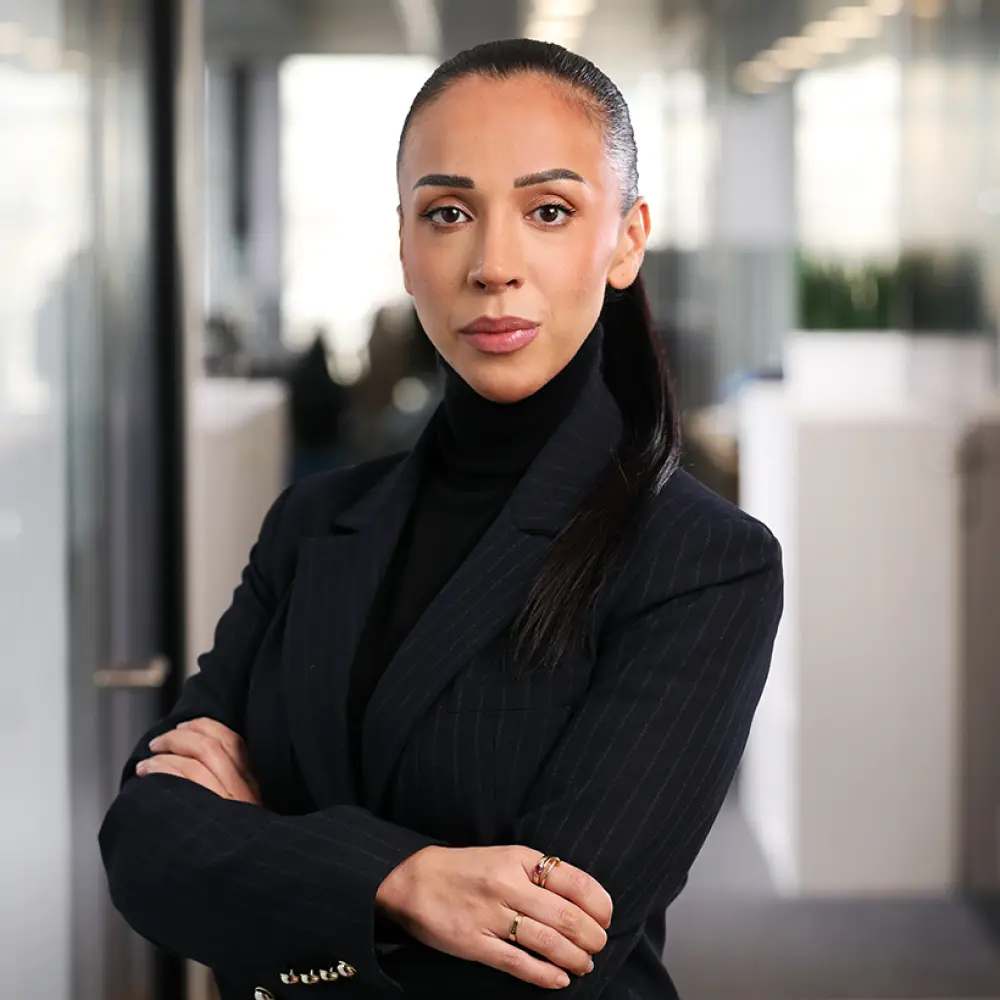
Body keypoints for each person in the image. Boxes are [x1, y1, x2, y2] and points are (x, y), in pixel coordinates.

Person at [99, 38, 783, 1000]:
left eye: (549, 211)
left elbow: (541, 963)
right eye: (449, 212)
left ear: (627, 240)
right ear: (407, 246)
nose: (493, 264)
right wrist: (405, 882)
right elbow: (143, 840)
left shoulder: (703, 560)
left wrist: (266, 853)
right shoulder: (312, 523)